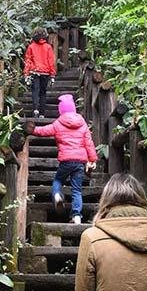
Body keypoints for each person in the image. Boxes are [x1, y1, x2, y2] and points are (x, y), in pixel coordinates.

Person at [31, 94, 97, 224]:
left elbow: (44, 131)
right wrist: (92, 159)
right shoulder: (82, 123)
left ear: (60, 110)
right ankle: (77, 216)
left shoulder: (59, 123)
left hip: (66, 160)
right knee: (77, 189)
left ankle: (57, 195)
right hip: (80, 161)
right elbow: (88, 142)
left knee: (58, 180)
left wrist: (32, 130)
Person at [23, 28, 56, 118]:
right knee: (43, 92)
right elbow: (51, 62)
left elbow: (28, 61)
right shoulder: (48, 47)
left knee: (35, 91)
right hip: (45, 73)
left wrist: (26, 74)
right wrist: (52, 75)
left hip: (34, 72)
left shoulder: (31, 46)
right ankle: (42, 113)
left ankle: (35, 109)